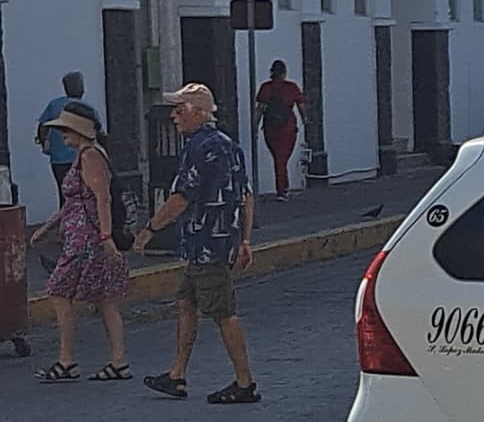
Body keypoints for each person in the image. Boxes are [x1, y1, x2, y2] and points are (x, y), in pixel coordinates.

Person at [136, 82, 256, 403]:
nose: (174, 115)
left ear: (199, 112)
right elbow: (246, 195)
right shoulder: (229, 144)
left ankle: (245, 382)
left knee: (223, 312)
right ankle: (177, 375)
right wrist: (244, 239)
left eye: (180, 109)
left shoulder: (197, 147)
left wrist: (150, 228)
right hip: (214, 242)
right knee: (186, 302)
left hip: (207, 245)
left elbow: (181, 197)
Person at [36, 101, 131, 381]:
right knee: (104, 299)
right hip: (82, 235)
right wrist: (48, 226)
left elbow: (102, 197)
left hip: (85, 239)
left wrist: (105, 235)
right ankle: (118, 361)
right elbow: (73, 201)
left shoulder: (90, 156)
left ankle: (67, 360)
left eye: (67, 130)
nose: (63, 136)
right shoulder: (85, 155)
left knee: (58, 291)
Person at [253, 59, 305, 195]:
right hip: (288, 128)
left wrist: (255, 126)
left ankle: (282, 187)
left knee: (278, 158)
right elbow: (301, 106)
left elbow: (259, 109)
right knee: (282, 158)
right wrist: (306, 121)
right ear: (284, 73)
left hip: (270, 128)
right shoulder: (292, 88)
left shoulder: (266, 88)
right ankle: (282, 188)